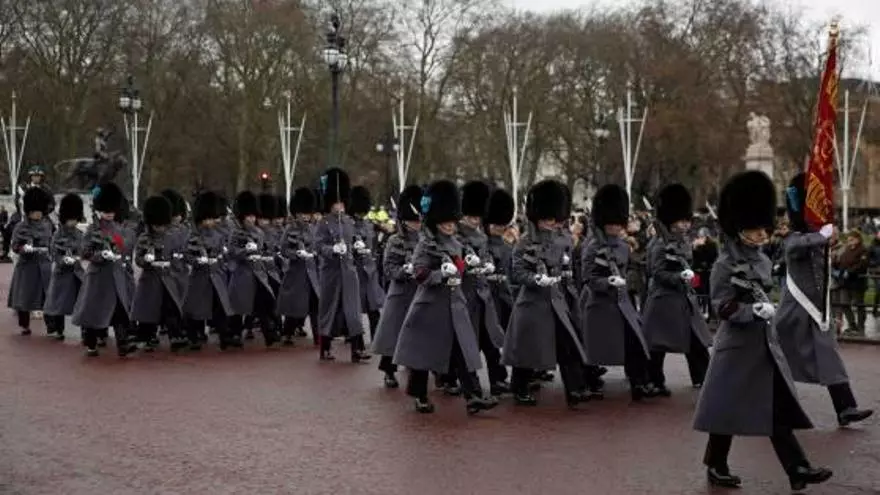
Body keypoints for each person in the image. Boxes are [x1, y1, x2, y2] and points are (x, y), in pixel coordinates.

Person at [694, 170, 832, 491]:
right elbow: (721, 306)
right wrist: (751, 311)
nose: (761, 235)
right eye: (754, 229)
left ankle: (797, 469)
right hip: (737, 348)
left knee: (776, 408)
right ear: (738, 228)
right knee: (725, 409)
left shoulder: (761, 260)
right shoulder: (724, 265)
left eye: (763, 229)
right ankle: (716, 464)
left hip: (764, 346)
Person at [774, 172, 873, 427]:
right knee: (778, 360)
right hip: (795, 310)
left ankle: (846, 408)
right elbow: (794, 247)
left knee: (829, 355)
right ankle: (768, 403)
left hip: (817, 310)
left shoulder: (815, 235)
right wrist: (821, 235)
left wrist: (823, 234)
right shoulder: (795, 236)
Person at [392, 180, 498, 415]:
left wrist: (474, 265)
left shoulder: (457, 243)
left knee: (463, 350)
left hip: (455, 304)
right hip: (431, 307)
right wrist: (440, 274)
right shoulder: (425, 245)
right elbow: (419, 274)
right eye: (445, 223)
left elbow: (463, 266)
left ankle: (473, 396)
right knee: (424, 354)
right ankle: (419, 395)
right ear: (436, 222)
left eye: (452, 222)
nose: (450, 226)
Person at [502, 179, 590, 408]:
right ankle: (519, 387)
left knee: (568, 346)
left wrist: (569, 289)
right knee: (527, 349)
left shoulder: (563, 241)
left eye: (553, 219)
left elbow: (569, 269)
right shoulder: (524, 243)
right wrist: (536, 279)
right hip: (533, 303)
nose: (550, 223)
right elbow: (518, 273)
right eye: (546, 219)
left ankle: (575, 389)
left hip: (558, 301)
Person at [579, 184, 653, 401]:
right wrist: (608, 282)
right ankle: (590, 381)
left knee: (635, 342)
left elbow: (628, 267)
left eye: (618, 224)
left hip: (622, 302)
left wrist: (626, 281)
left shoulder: (622, 246)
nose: (615, 228)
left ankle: (639, 383)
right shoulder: (592, 247)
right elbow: (588, 278)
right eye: (611, 224)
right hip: (599, 304)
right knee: (594, 348)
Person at [642, 184, 712, 395]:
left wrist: (692, 279)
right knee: (658, 345)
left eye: (686, 221)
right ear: (670, 221)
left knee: (696, 340)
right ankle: (654, 380)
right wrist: (679, 277)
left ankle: (704, 378)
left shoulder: (683, 242)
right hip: (664, 301)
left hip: (683, 300)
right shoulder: (659, 245)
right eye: (681, 221)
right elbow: (657, 273)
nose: (685, 225)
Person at [72, 182, 137, 357]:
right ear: (100, 210)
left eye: (111, 210)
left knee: (119, 310)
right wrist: (101, 255)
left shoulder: (118, 229)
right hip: (98, 278)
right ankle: (91, 343)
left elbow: (123, 247)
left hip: (116, 276)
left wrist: (118, 251)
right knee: (94, 311)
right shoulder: (92, 229)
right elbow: (85, 252)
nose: (109, 213)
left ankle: (123, 343)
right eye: (106, 210)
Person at [456, 180, 509, 396]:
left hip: (483, 294)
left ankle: (498, 379)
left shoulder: (481, 237)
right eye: (471, 217)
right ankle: (471, 384)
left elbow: (486, 255)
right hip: (465, 294)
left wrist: (486, 264)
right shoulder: (456, 236)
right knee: (469, 344)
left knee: (490, 341)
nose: (475, 221)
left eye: (477, 217)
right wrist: (467, 265)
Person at [313, 168, 369, 362]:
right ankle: (325, 348)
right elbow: (318, 246)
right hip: (331, 273)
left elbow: (354, 240)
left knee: (353, 311)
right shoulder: (324, 223)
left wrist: (358, 246)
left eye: (342, 202)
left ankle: (357, 349)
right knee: (329, 310)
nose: (341, 206)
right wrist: (333, 249)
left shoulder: (348, 222)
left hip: (349, 272)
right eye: (337, 203)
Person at [371, 185, 423, 388]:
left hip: (421, 291)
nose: (417, 224)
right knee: (394, 334)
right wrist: (404, 270)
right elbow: (388, 268)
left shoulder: (426, 240)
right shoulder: (395, 240)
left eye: (418, 220)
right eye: (413, 221)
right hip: (402, 293)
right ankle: (389, 370)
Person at [131, 196, 188, 351]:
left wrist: (177, 260)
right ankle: (146, 336)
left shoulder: (173, 236)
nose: (160, 228)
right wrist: (146, 260)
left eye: (162, 225)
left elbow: (180, 253)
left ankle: (175, 335)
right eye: (157, 225)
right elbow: (138, 259)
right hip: (151, 278)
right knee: (148, 309)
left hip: (169, 278)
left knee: (171, 308)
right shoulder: (144, 238)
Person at [182, 191, 237, 350]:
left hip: (217, 274)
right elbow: (187, 254)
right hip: (200, 276)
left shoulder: (218, 234)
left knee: (221, 307)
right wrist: (197, 260)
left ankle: (225, 335)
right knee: (197, 308)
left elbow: (224, 252)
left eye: (212, 218)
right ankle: (195, 335)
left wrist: (221, 257)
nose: (211, 222)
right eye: (208, 218)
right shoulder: (193, 236)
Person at [226, 191, 279, 348]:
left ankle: (269, 334)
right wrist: (245, 251)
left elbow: (262, 250)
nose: (251, 219)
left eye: (253, 216)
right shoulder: (236, 233)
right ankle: (234, 334)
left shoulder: (259, 232)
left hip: (258, 274)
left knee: (262, 305)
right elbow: (232, 252)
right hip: (242, 274)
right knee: (238, 307)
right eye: (248, 216)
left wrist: (260, 256)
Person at [7, 187, 54, 336]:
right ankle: (24, 325)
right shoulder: (20, 227)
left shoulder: (47, 226)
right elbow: (15, 246)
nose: (38, 214)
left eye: (40, 211)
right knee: (24, 298)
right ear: (29, 211)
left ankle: (52, 326)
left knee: (48, 297)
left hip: (44, 265)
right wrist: (23, 248)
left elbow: (51, 244)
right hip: (27, 266)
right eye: (35, 211)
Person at [277, 188, 321, 344]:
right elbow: (283, 249)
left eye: (307, 214)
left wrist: (314, 254)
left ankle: (318, 335)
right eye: (303, 214)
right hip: (296, 273)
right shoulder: (290, 229)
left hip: (312, 273)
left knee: (315, 305)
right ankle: (287, 333)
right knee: (293, 306)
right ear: (297, 214)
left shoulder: (314, 229)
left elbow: (318, 247)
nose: (306, 217)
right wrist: (296, 254)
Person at [43, 194, 86, 341]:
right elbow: (54, 253)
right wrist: (63, 260)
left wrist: (79, 257)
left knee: (83, 302)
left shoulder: (80, 234)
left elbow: (83, 251)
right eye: (70, 219)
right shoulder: (57, 235)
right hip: (62, 273)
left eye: (75, 219)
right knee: (57, 303)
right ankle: (57, 329)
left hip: (77, 273)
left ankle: (86, 331)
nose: (73, 222)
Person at [348, 186, 385, 339]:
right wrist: (353, 248)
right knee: (354, 307)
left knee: (373, 307)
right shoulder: (347, 225)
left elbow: (375, 242)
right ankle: (354, 337)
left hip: (369, 271)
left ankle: (376, 337)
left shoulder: (369, 225)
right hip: (355, 270)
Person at [484, 187, 516, 331]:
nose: (499, 228)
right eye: (496, 225)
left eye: (501, 225)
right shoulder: (480, 245)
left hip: (505, 303)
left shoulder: (509, 248)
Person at [831, 230, 869, 336]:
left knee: (859, 304)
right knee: (844, 304)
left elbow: (862, 265)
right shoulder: (847, 249)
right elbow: (842, 261)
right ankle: (852, 325)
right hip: (845, 282)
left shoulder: (863, 250)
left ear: (858, 239)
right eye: (848, 239)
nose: (849, 241)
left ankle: (861, 326)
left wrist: (850, 271)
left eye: (852, 239)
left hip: (857, 282)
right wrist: (835, 263)